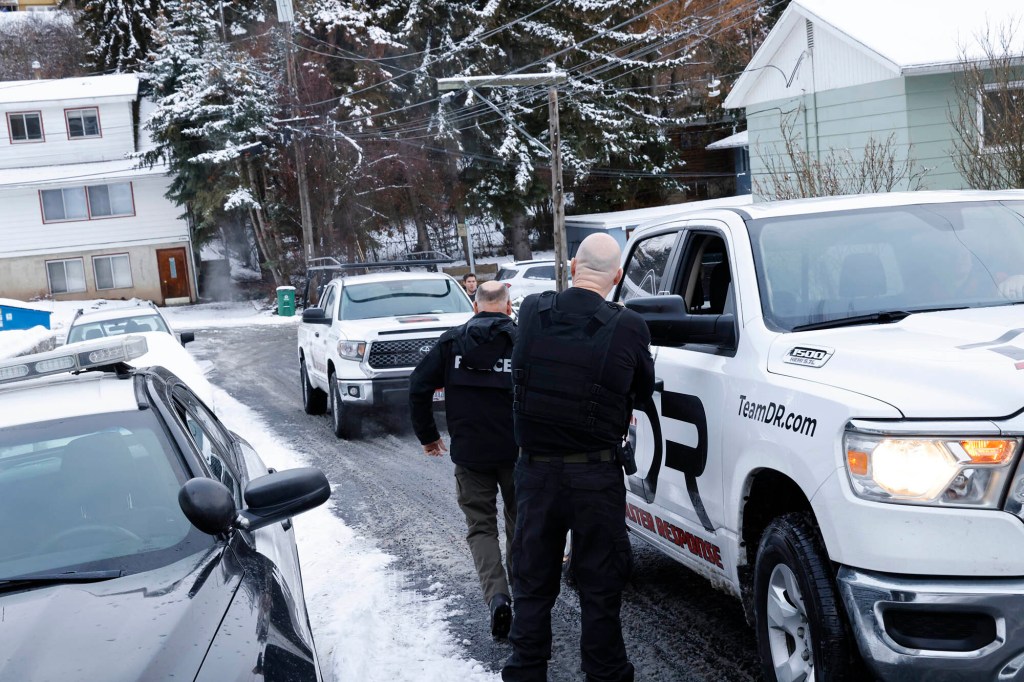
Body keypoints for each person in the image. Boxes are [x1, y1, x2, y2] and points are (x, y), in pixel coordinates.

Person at [502, 233, 655, 682]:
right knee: (600, 587)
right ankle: (605, 675)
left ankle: (526, 672)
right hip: (594, 476)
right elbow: (642, 392)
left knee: (531, 584)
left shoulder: (531, 311)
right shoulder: (628, 326)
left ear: (572, 267)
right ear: (619, 277)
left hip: (535, 474)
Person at [409, 280, 518, 638]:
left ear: (474, 306)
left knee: (481, 527)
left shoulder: (452, 342)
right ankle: (526, 594)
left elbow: (419, 386)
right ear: (508, 306)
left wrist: (428, 436)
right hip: (518, 451)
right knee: (522, 523)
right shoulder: (522, 341)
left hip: (471, 453)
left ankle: (498, 597)